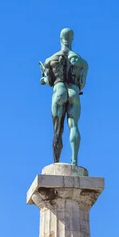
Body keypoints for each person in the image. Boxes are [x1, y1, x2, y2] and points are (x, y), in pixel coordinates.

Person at [39, 28, 88, 166]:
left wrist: (44, 79)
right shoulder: (82, 62)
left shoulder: (50, 60)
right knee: (74, 126)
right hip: (74, 90)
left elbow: (49, 80)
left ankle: (56, 162)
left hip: (59, 89)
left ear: (61, 39)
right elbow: (82, 83)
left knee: (58, 129)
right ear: (72, 39)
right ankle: (74, 160)